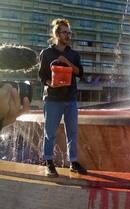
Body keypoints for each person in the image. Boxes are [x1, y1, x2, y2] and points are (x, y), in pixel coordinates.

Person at [39, 18, 86, 177]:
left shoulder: (73, 54)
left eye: (69, 32)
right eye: (65, 32)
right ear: (57, 34)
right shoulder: (46, 53)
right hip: (52, 99)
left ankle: (73, 162)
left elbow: (80, 73)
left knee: (72, 132)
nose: (68, 35)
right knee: (49, 132)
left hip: (70, 99)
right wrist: (49, 83)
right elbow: (42, 76)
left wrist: (67, 62)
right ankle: (49, 162)